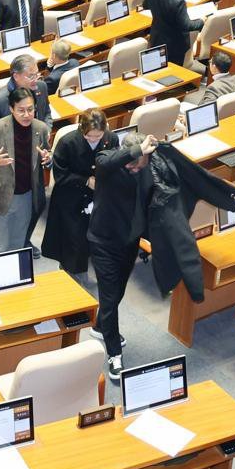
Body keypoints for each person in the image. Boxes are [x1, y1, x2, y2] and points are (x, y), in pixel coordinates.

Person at [90, 134, 158, 376]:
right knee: (109, 298)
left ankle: (100, 325)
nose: (140, 167)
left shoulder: (146, 168)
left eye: (144, 161)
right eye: (137, 161)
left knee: (117, 291)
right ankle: (114, 355)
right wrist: (137, 150)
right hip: (103, 242)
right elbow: (106, 162)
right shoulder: (108, 165)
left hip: (130, 241)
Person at [0, 87, 54, 255]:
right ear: (11, 109)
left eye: (30, 109)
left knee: (18, 244)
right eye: (21, 110)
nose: (26, 115)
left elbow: (47, 154)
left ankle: (14, 280)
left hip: (26, 196)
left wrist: (48, 160)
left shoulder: (40, 128)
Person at [43, 109, 110, 276]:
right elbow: (60, 175)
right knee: (72, 239)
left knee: (92, 236)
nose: (94, 140)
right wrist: (86, 181)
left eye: (98, 136)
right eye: (90, 136)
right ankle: (68, 271)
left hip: (97, 197)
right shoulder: (68, 143)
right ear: (82, 129)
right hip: (70, 197)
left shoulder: (110, 138)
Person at [146, 0, 202, 67]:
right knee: (172, 71)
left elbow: (146, 5)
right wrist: (201, 21)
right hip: (174, 45)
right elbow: (186, 26)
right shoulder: (178, 1)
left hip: (156, 36)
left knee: (157, 68)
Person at [0, 54, 52, 128]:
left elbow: (46, 113)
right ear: (16, 76)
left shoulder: (41, 87)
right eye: (31, 76)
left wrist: (46, 131)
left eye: (37, 74)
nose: (35, 79)